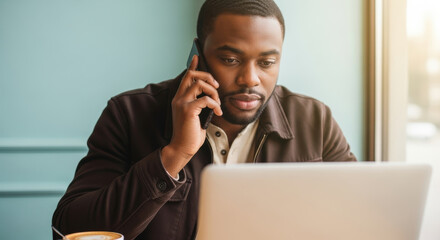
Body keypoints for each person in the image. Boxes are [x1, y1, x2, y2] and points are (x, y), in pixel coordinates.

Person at [52, 0, 357, 239]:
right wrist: (173, 156)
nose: (250, 79)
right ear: (198, 54)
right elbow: (71, 230)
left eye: (267, 62)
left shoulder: (315, 120)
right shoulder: (128, 115)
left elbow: (361, 216)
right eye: (230, 60)